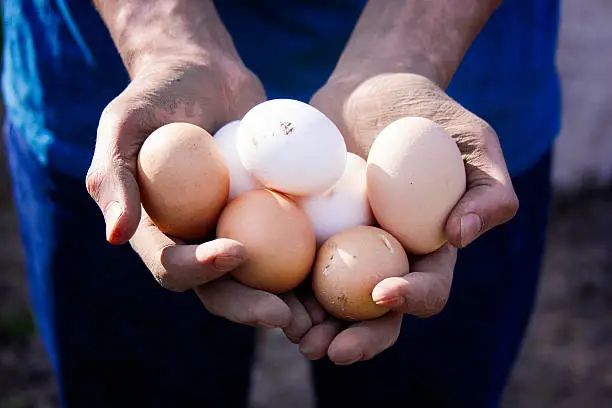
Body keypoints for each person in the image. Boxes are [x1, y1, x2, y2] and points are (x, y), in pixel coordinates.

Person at [1, 0, 559, 407]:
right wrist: (162, 33)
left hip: (450, 88)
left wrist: (412, 50)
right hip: (120, 78)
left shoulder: (412, 177)